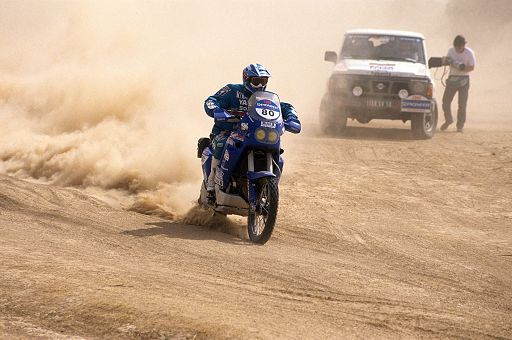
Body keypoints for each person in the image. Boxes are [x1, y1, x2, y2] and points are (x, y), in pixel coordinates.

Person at [203, 63, 299, 195]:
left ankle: (268, 192)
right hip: (227, 132)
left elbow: (285, 107)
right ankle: (211, 182)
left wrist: (291, 118)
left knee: (280, 159)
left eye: (263, 81)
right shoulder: (232, 90)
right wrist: (217, 110)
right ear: (246, 80)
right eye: (256, 81)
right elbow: (211, 100)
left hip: (254, 135)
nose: (260, 85)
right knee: (222, 144)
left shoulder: (266, 99)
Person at [440, 35, 476, 133]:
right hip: (452, 78)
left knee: (462, 104)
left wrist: (462, 68)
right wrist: (449, 62)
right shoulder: (450, 51)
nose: (458, 49)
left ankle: (460, 126)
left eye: (460, 47)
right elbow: (448, 61)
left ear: (464, 45)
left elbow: (472, 67)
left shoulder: (469, 53)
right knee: (445, 101)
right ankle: (448, 119)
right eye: (456, 47)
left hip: (464, 80)